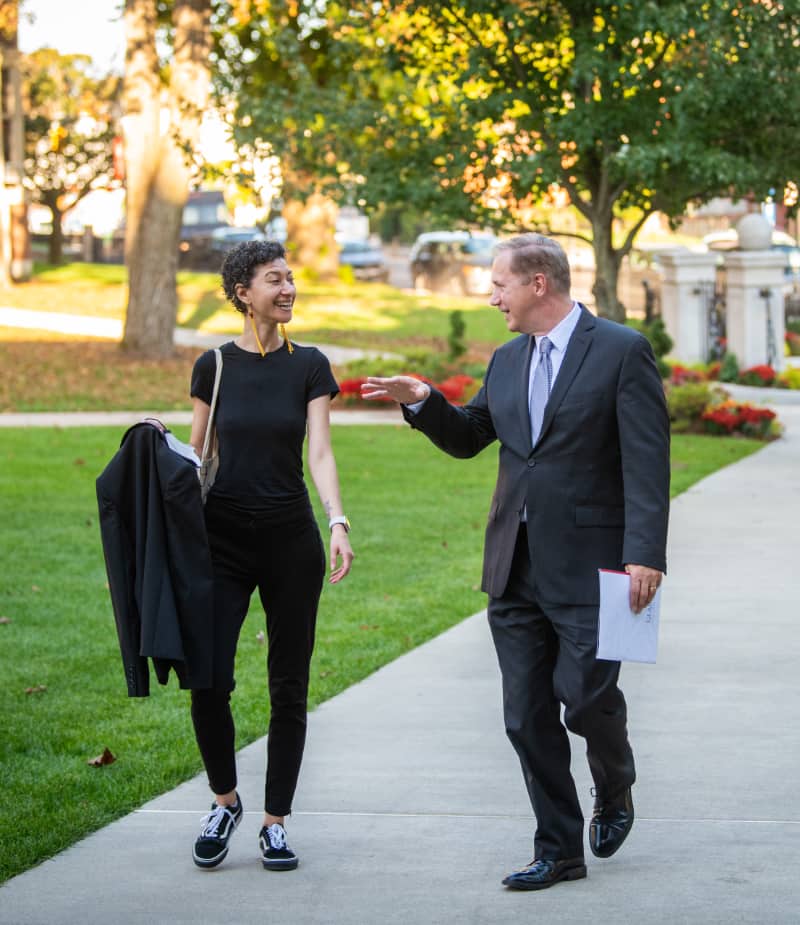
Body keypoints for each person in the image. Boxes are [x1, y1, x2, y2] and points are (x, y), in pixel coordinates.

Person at [362, 233, 669, 891]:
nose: (490, 294)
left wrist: (645, 553)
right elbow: (473, 435)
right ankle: (559, 848)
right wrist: (421, 400)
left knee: (585, 699)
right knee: (524, 717)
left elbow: (646, 459)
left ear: (537, 284)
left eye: (498, 283)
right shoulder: (505, 359)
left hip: (594, 564)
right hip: (514, 565)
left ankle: (615, 780)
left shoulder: (621, 351)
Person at [188, 239, 354, 872]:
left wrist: (336, 520)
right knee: (208, 679)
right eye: (273, 279)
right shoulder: (214, 365)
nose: (287, 288)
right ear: (242, 292)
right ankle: (225, 800)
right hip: (220, 540)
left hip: (290, 540)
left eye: (290, 278)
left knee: (289, 686)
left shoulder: (310, 364)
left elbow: (320, 452)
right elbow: (197, 453)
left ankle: (275, 822)